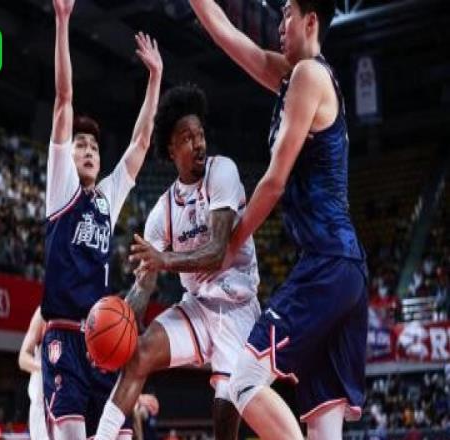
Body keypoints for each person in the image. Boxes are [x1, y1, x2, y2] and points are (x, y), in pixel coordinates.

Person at [189, 0, 368, 439]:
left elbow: (274, 183)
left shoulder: (308, 75)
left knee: (244, 381)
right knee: (323, 428)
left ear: (311, 21)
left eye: (287, 13)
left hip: (327, 262)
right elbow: (228, 36)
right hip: (340, 266)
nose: (279, 24)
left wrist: (229, 245)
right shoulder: (295, 78)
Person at [95, 84, 260, 440]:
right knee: (139, 354)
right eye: (187, 138)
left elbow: (217, 252)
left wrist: (164, 259)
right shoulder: (162, 212)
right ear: (171, 150)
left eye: (200, 135)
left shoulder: (222, 171)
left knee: (225, 404)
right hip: (198, 306)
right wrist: (119, 323)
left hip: (238, 307)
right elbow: (144, 286)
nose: (198, 144)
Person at [42, 1, 163, 439]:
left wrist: (155, 78)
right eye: (81, 145)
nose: (89, 150)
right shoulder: (62, 187)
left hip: (102, 340)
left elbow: (141, 142)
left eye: (94, 146)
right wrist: (62, 21)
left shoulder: (107, 198)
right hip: (63, 336)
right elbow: (64, 100)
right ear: (68, 155)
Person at [18, 307, 48, 440]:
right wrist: (46, 368)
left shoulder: (83, 308)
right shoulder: (43, 312)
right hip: (42, 405)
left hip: (73, 401)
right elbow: (23, 359)